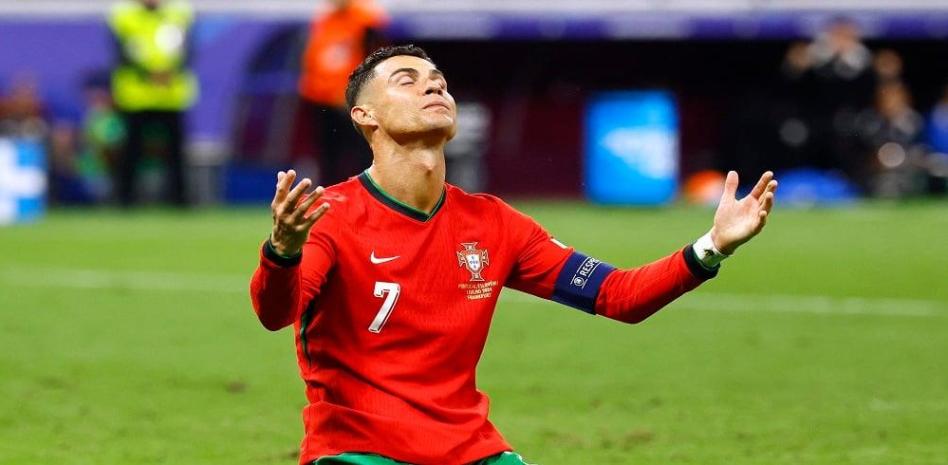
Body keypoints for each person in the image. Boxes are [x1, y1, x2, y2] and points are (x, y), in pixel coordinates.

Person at [249, 45, 778, 465]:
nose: (433, 85)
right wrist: (283, 251)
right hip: (359, 453)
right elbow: (276, 313)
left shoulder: (493, 223)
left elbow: (619, 296)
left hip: (472, 450)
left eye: (438, 80)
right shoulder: (329, 215)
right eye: (407, 80)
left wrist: (712, 246)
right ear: (365, 115)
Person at [108, 0, 197, 206]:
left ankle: (179, 199)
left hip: (170, 96)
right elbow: (122, 54)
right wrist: (150, 74)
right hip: (136, 97)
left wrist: (167, 72)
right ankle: (124, 198)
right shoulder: (124, 17)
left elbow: (187, 51)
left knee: (176, 152)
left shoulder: (179, 14)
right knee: (131, 150)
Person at [299, 0, 387, 186]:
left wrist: (357, 93)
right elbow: (314, 60)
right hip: (322, 100)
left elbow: (374, 59)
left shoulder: (366, 19)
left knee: (360, 152)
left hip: (354, 100)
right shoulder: (323, 20)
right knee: (328, 154)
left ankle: (365, 191)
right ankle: (331, 193)